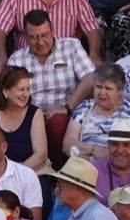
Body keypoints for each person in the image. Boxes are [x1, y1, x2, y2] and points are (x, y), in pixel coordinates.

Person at [7, 10, 95, 168]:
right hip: (31, 117)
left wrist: (67, 107)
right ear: (25, 37)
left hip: (66, 114)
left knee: (57, 122)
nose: (40, 42)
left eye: (45, 35)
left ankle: (60, 173)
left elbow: (90, 78)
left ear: (53, 30)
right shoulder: (17, 59)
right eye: (34, 37)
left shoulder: (71, 46)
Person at [0, 66, 47, 170]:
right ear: (5, 92)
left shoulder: (35, 113)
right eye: (21, 89)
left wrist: (13, 175)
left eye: (28, 89)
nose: (26, 94)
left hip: (26, 174)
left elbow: (41, 155)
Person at [64, 66, 130, 159]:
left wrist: (83, 150)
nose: (102, 93)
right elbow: (67, 145)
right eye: (98, 87)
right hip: (82, 166)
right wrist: (95, 150)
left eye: (108, 88)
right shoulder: (83, 109)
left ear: (120, 91)